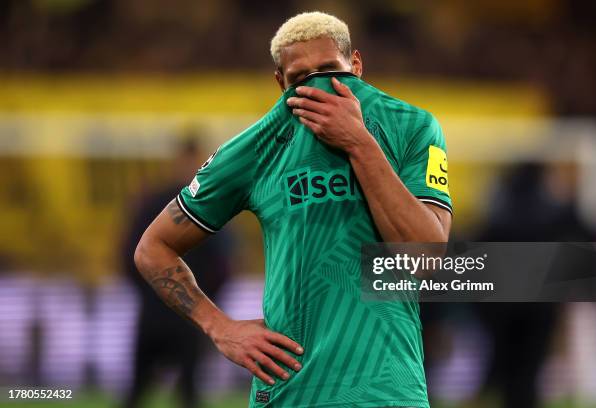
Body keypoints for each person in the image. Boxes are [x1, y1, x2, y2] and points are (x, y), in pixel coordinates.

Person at [134, 12, 452, 407]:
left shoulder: (411, 126)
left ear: (356, 64)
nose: (317, 85)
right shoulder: (257, 146)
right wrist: (220, 328)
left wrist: (360, 143)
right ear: (279, 83)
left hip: (386, 391)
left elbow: (425, 258)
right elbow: (152, 247)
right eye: (301, 78)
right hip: (291, 391)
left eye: (329, 70)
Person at [122, 137, 232, 408]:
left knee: (185, 391)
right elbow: (130, 257)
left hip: (185, 315)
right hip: (170, 314)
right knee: (145, 389)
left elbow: (128, 257)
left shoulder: (154, 201)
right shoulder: (204, 203)